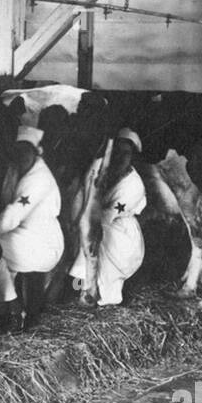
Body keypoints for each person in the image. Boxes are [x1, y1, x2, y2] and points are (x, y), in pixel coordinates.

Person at [0, 126, 64, 332]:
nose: (21, 156)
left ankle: (10, 308)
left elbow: (13, 215)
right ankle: (17, 311)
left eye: (27, 150)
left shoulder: (38, 179)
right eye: (17, 151)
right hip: (32, 236)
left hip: (42, 242)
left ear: (36, 152)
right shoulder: (25, 171)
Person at [69, 128, 147, 306]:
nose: (120, 157)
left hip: (122, 231)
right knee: (88, 233)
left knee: (96, 236)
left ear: (132, 156)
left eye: (126, 153)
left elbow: (105, 216)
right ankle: (82, 284)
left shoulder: (134, 185)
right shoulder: (104, 172)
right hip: (102, 223)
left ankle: (99, 292)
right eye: (117, 152)